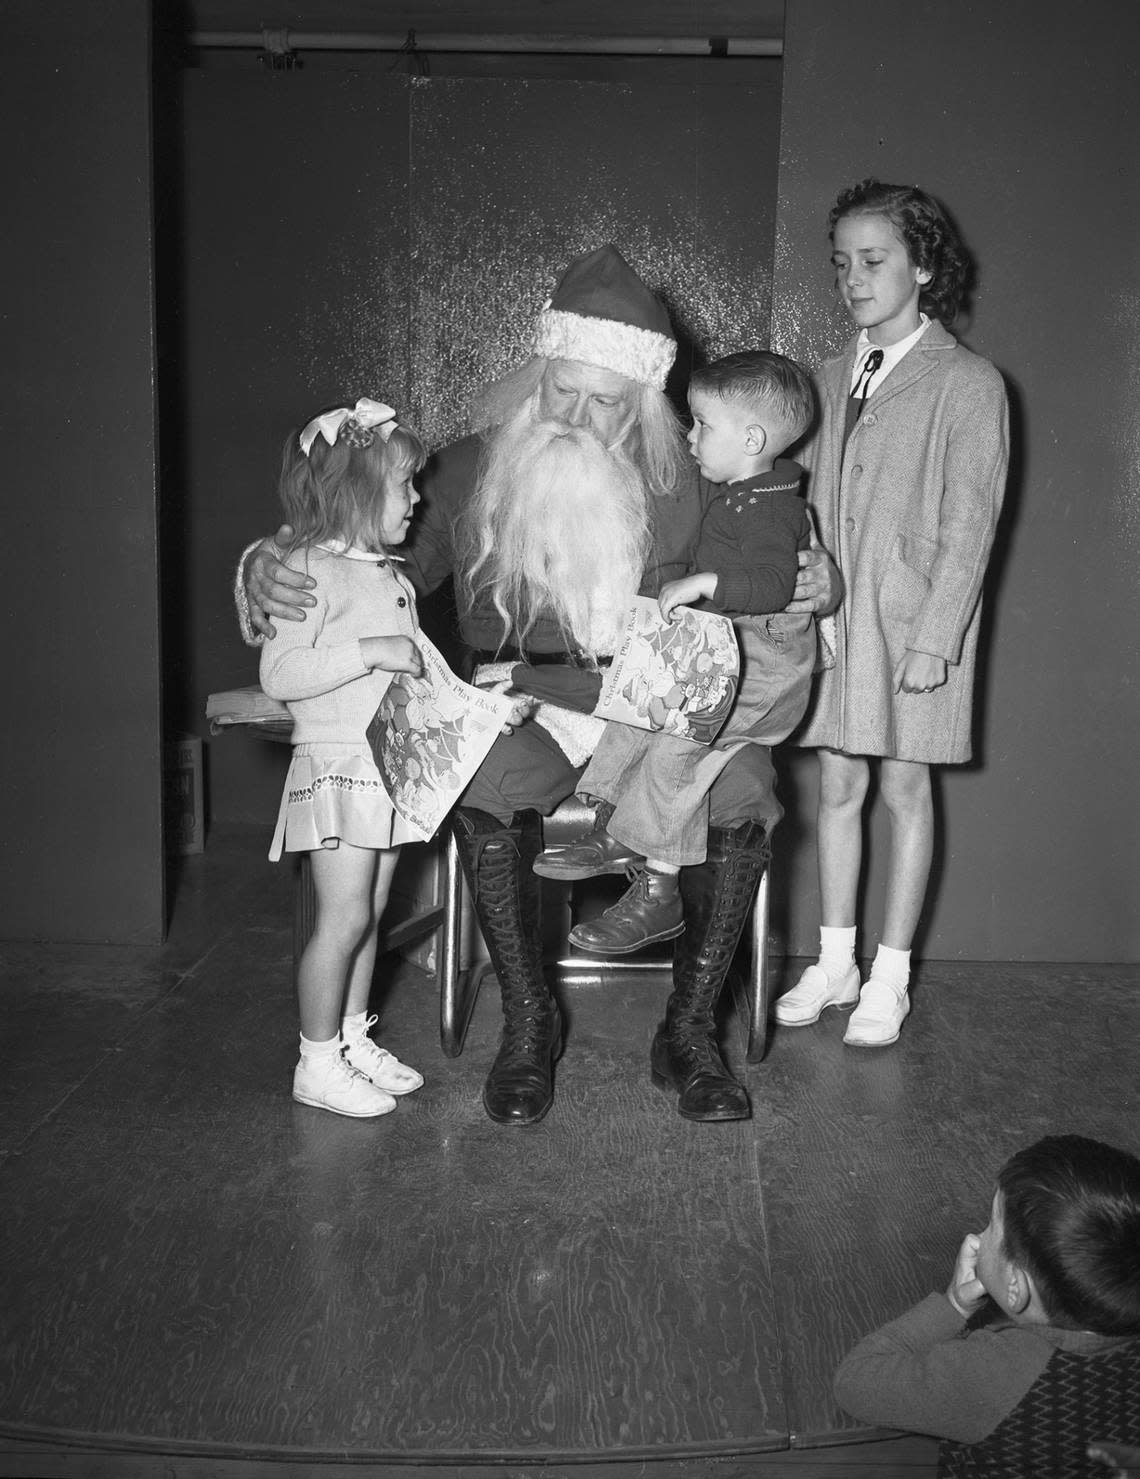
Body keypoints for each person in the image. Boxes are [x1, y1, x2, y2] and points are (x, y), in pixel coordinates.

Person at [240, 245, 840, 1127]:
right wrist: (266, 560)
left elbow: (771, 536)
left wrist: (812, 576)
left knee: (745, 787)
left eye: (609, 401)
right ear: (539, 368)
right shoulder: (467, 467)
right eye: (565, 390)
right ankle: (529, 1024)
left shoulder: (694, 474)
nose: (581, 416)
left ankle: (688, 1034)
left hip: (648, 708)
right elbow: (359, 553)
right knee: (484, 777)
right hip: (519, 699)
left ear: (643, 398)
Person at [775, 179, 1009, 1048]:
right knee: (839, 783)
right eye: (842, 263)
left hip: (912, 627)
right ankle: (835, 961)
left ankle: (890, 972)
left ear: (922, 265)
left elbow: (970, 521)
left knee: (906, 787)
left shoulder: (971, 383)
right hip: (839, 621)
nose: (854, 279)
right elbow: (795, 498)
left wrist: (937, 637)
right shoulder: (827, 379)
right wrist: (810, 582)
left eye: (873, 260)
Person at [533, 351, 817, 976]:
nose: (689, 437)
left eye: (701, 425)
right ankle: (609, 823)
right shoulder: (742, 492)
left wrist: (705, 582)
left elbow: (770, 585)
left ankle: (658, 888)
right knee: (637, 708)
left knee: (678, 746)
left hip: (762, 672)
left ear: (751, 439)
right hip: (725, 655)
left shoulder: (771, 507)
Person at [259, 396, 432, 1119]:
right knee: (341, 917)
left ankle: (352, 1037)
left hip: (384, 765)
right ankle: (316, 1059)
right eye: (404, 484)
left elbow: (410, 670)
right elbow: (280, 673)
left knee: (372, 911)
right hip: (336, 765)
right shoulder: (308, 567)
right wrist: (371, 652)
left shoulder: (392, 573)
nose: (418, 497)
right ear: (358, 492)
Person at [833, 1135, 1140, 1474]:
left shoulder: (995, 1373)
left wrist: (952, 1306)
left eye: (992, 1226)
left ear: (1015, 1288)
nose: (978, 1238)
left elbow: (855, 1381)